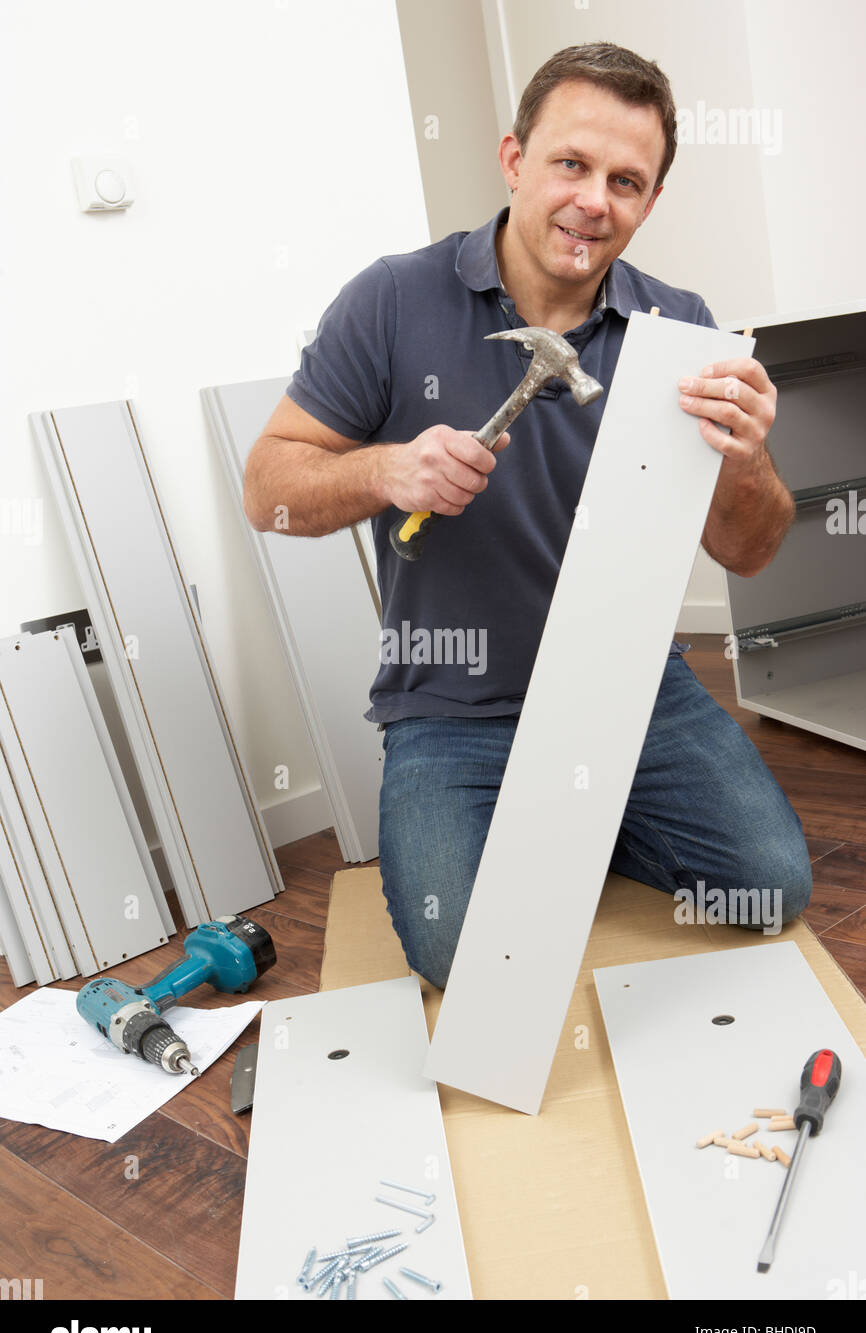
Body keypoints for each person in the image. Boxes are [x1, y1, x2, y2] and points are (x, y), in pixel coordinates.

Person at [243, 42, 812, 989]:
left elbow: (748, 553)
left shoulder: (681, 331)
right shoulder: (392, 298)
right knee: (469, 963)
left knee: (770, 886)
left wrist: (746, 457)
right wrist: (389, 470)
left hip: (629, 687)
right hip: (452, 704)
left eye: (626, 181)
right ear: (515, 160)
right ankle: (550, 818)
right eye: (572, 165)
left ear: (649, 202)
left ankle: (577, 821)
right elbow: (270, 489)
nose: (596, 200)